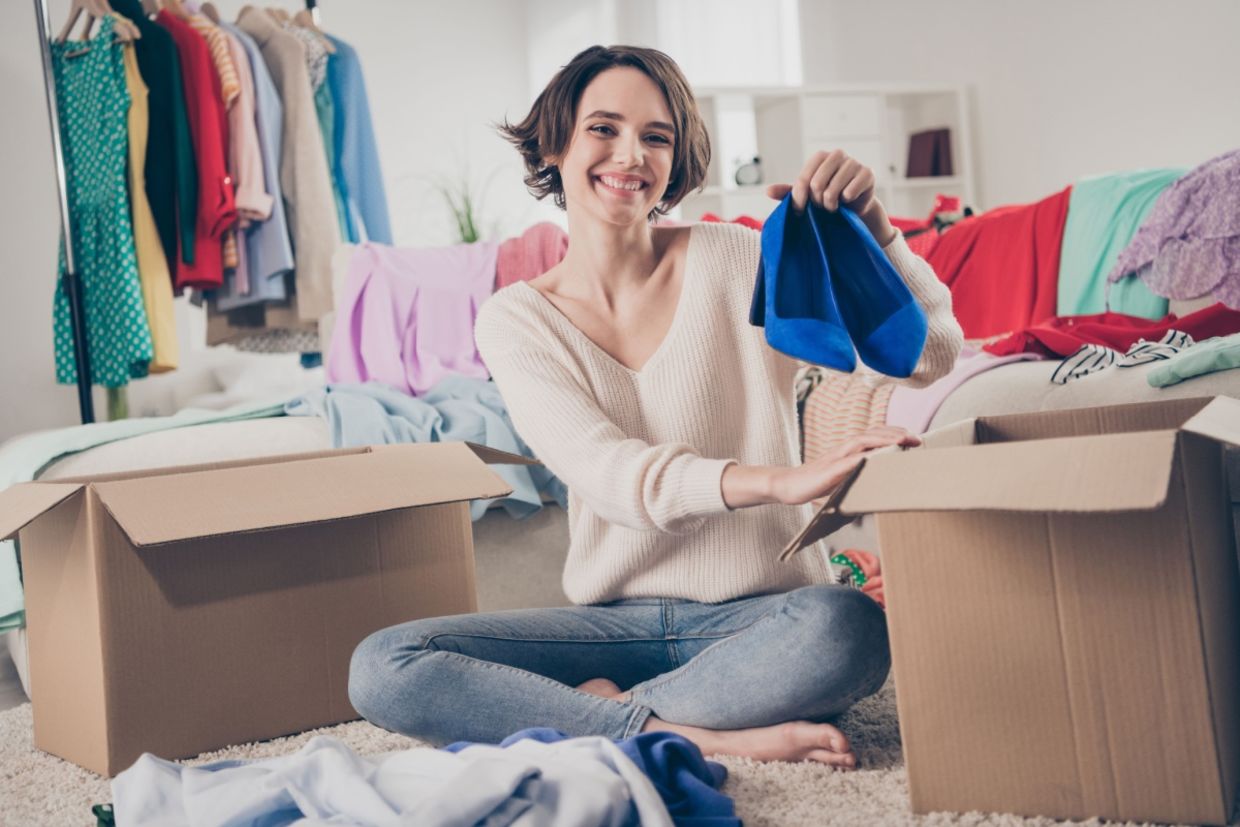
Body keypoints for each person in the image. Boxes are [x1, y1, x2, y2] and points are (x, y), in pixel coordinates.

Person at [349, 45, 963, 768]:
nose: (630, 154)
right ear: (556, 143)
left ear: (677, 159)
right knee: (385, 661)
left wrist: (877, 231)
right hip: (613, 627)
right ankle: (692, 733)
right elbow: (607, 470)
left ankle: (605, 718)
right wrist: (776, 480)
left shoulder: (738, 261)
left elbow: (931, 358)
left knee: (848, 627)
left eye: (656, 136)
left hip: (764, 611)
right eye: (603, 129)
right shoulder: (516, 318)